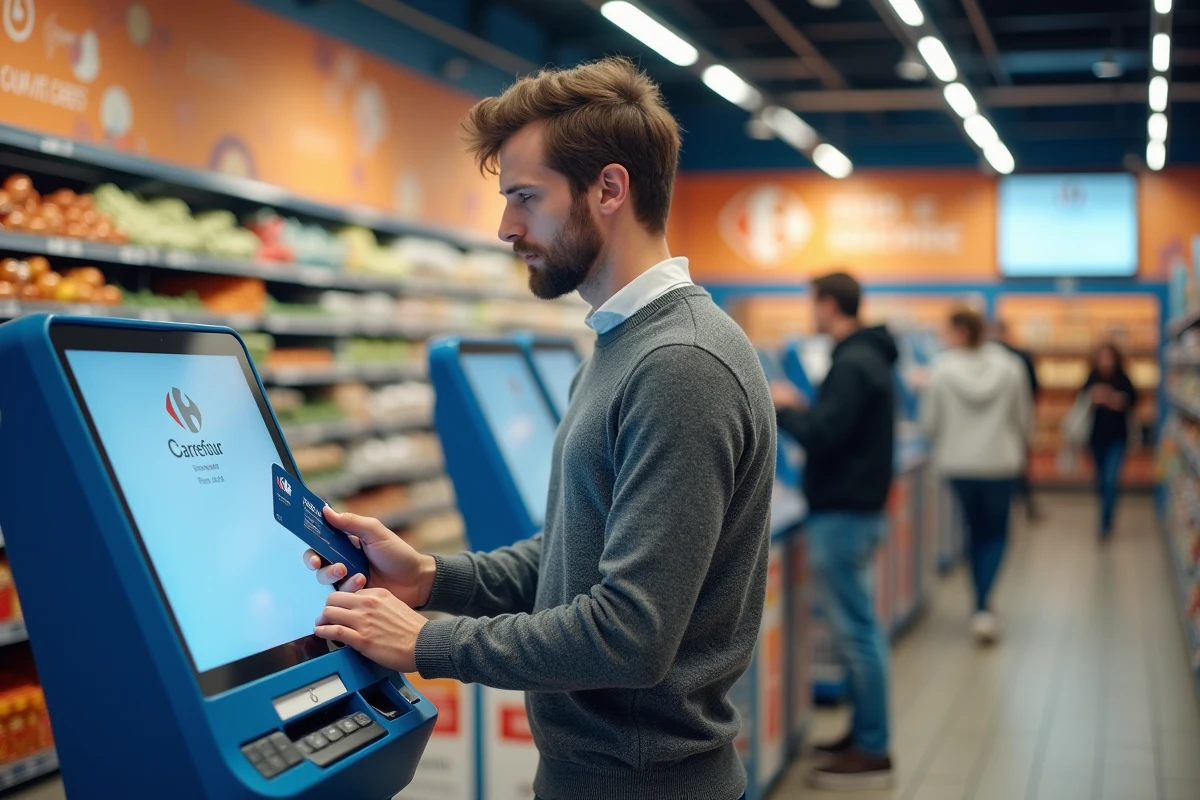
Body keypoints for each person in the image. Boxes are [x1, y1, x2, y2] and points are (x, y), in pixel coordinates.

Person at [302, 58, 774, 800]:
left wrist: (428, 643)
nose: (505, 228)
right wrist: (432, 577)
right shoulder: (621, 344)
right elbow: (572, 556)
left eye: (525, 196)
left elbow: (629, 633)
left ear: (610, 188)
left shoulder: (680, 363)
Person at [772, 272, 897, 791]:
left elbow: (826, 438)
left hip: (842, 515)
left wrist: (784, 409)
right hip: (859, 510)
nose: (811, 313)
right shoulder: (873, 358)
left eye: (813, 303)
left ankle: (872, 746)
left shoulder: (850, 363)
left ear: (828, 306)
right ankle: (861, 735)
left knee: (857, 633)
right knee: (859, 630)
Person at [922, 309, 1031, 645]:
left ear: (959, 332)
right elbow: (1023, 417)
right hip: (1001, 463)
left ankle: (980, 602)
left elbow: (929, 423)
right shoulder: (1011, 367)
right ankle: (984, 603)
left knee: (972, 531)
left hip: (958, 465)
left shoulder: (940, 369)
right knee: (997, 534)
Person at [1082, 343, 1138, 540]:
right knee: (1101, 480)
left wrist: (1114, 400)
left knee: (1110, 479)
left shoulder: (1123, 379)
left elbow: (1133, 401)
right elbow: (1082, 399)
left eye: (1109, 357)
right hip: (1096, 437)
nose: (1105, 361)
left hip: (1117, 437)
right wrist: (1093, 397)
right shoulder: (1092, 377)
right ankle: (1105, 512)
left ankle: (1105, 523)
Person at [994, 319, 1042, 523]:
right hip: (1012, 422)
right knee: (1018, 463)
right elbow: (1033, 390)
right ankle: (1023, 504)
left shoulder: (1017, 360)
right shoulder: (1018, 360)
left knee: (1016, 464)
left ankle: (1021, 503)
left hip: (1004, 423)